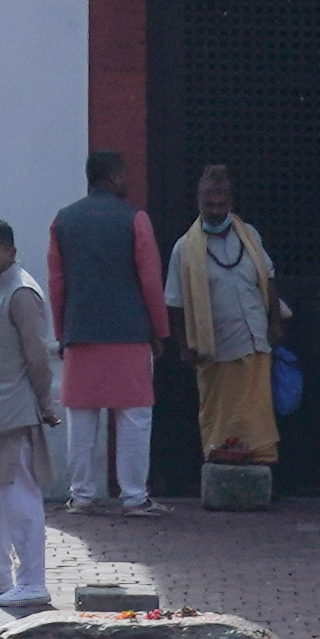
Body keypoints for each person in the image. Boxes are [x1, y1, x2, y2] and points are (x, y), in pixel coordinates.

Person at [48, 151, 168, 514]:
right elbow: (150, 282)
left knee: (82, 418)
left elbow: (57, 283)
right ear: (115, 177)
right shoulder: (135, 220)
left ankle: (82, 494)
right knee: (134, 417)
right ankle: (133, 496)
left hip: (81, 331)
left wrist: (61, 330)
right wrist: (159, 330)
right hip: (130, 332)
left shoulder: (64, 221)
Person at [162, 164, 285, 470]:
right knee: (221, 416)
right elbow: (175, 302)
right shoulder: (184, 249)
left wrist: (274, 321)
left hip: (256, 339)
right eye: (209, 205)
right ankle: (222, 466)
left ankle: (260, 467)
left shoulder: (250, 236)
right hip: (214, 347)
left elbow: (268, 277)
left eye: (220, 205)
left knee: (257, 413)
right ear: (198, 203)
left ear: (230, 203)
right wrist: (183, 345)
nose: (215, 211)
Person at [0, 219, 61, 612]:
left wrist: (44, 402)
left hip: (15, 410)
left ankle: (32, 581)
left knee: (18, 495)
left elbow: (38, 356)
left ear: (11, 252)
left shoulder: (21, 292)